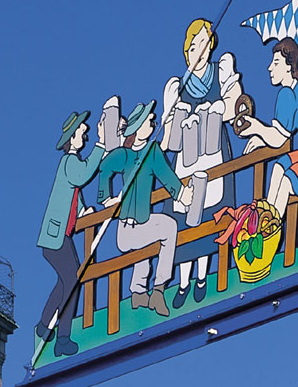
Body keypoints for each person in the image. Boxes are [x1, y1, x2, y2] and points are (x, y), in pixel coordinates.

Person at [159, 18, 243, 307]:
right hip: (186, 160)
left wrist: (221, 107)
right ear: (187, 52)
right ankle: (182, 283)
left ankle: (203, 277)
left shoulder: (221, 72)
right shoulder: (177, 87)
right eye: (194, 46)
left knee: (210, 214)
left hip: (214, 155)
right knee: (183, 221)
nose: (200, 50)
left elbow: (234, 109)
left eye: (204, 44)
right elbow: (166, 137)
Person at [98, 100, 193, 318]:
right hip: (126, 230)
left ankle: (139, 292)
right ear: (138, 127)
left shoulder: (152, 152)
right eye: (149, 120)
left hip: (141, 225)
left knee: (159, 228)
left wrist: (181, 194)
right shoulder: (125, 155)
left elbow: (166, 176)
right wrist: (106, 200)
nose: (153, 122)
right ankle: (158, 288)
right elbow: (104, 168)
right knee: (168, 228)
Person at [236, 38, 298, 218]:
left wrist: (257, 128)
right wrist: (261, 136)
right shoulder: (296, 88)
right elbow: (281, 134)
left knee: (287, 182)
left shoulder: (287, 94)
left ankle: (271, 229)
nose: (270, 68)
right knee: (279, 167)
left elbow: (278, 139)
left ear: (289, 66)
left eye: (276, 63)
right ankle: (265, 219)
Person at [36, 110, 105, 357]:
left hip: (57, 237)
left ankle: (44, 325)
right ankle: (62, 337)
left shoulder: (70, 164)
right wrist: (100, 146)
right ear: (71, 138)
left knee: (65, 280)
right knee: (73, 281)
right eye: (82, 134)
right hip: (56, 238)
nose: (84, 139)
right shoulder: (69, 162)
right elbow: (84, 174)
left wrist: (85, 211)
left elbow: (74, 196)